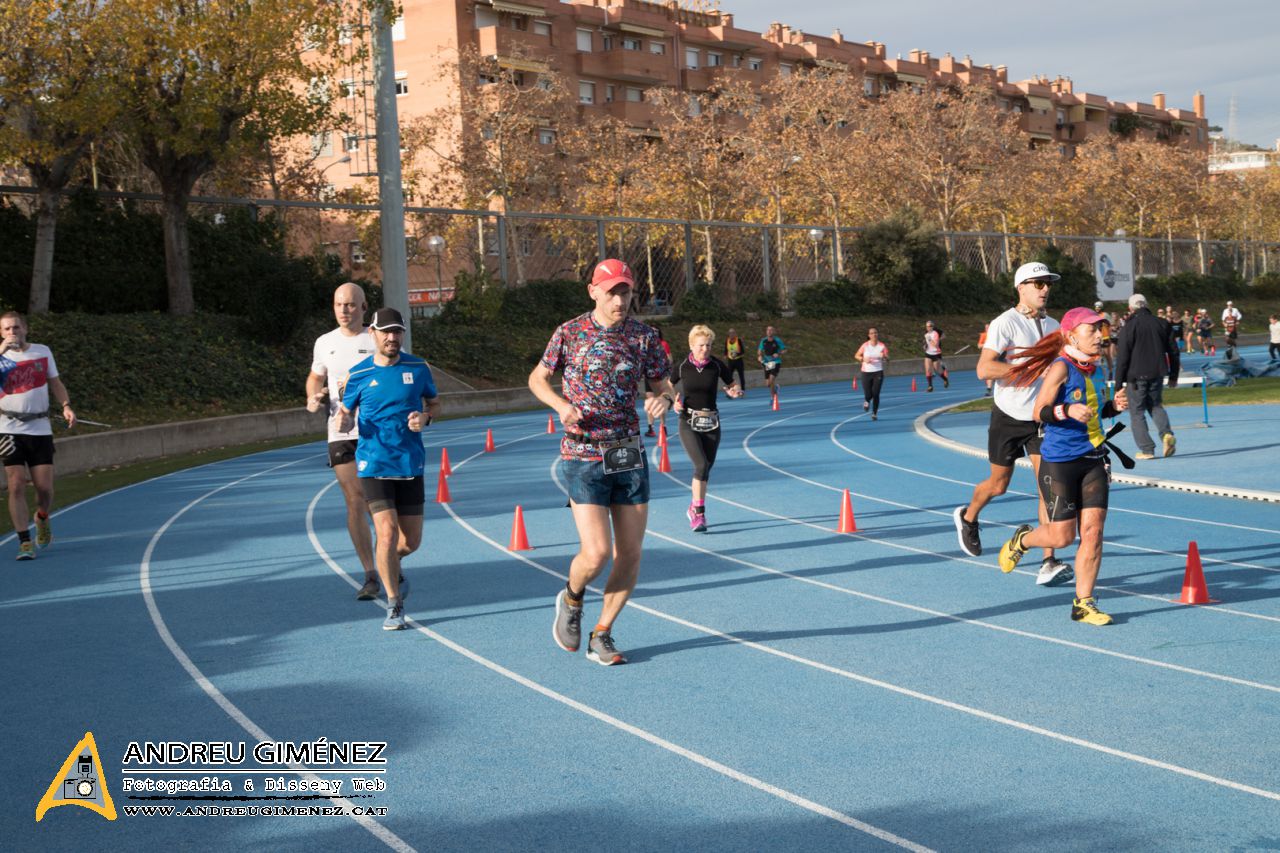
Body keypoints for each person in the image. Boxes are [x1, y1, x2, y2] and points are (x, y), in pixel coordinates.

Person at [531, 259, 673, 666]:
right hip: (582, 451)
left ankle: (602, 633)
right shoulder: (569, 333)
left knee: (630, 553)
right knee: (596, 554)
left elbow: (663, 383)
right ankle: (572, 598)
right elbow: (537, 379)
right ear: (593, 291)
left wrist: (663, 398)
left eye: (625, 291)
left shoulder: (645, 337)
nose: (619, 299)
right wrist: (560, 405)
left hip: (627, 451)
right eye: (611, 291)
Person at [995, 306, 1129, 626]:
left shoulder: (1092, 369)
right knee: (1061, 538)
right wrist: (1066, 410)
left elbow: (1091, 413)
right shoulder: (1061, 367)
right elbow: (1039, 411)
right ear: (1072, 335)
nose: (1099, 336)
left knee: (1093, 533)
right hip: (1060, 462)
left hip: (1093, 460)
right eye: (1091, 330)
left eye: (1101, 330)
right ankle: (1022, 540)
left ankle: (1083, 604)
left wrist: (1112, 407)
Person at [952, 261, 1071, 586]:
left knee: (1049, 489)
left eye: (1048, 283)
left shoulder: (1055, 326)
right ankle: (968, 516)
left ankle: (1049, 561)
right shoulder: (1004, 323)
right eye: (1038, 284)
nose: (1045, 289)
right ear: (1021, 287)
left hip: (1041, 419)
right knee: (998, 484)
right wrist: (1027, 372)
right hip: (1008, 415)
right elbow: (984, 369)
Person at [335, 308, 440, 631]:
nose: (392, 338)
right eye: (386, 332)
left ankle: (390, 564)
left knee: (410, 543)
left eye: (397, 332)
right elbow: (344, 408)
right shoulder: (359, 374)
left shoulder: (417, 367)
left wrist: (425, 418)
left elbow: (434, 403)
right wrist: (343, 419)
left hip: (410, 463)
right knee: (386, 532)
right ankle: (395, 605)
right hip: (373, 464)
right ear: (373, 334)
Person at [307, 283, 379, 600]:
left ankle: (391, 554)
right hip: (341, 432)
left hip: (377, 430)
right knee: (355, 498)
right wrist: (313, 395)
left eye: (350, 304)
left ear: (363, 307)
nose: (343, 310)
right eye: (338, 304)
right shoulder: (324, 343)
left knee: (380, 502)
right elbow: (316, 376)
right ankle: (370, 573)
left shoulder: (376, 339)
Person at [0, 312, 76, 560]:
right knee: (16, 484)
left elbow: (55, 383)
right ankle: (24, 542)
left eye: (16, 327)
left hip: (40, 428)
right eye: (7, 329)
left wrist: (65, 406)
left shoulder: (42, 351)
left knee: (44, 489)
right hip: (8, 428)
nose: (12, 332)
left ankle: (42, 517)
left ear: (25, 329)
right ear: (1, 333)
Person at [671, 325, 743, 532]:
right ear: (692, 345)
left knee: (706, 468)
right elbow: (667, 385)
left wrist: (734, 392)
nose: (705, 349)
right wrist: (673, 401)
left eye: (709, 345)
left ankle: (694, 505)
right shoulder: (682, 366)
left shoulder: (717, 365)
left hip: (711, 422)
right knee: (701, 465)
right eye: (701, 345)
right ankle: (699, 514)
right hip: (688, 421)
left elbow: (733, 384)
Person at [1114, 293, 1177, 461]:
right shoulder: (1162, 323)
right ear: (1147, 305)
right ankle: (1166, 434)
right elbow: (1173, 351)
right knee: (1156, 405)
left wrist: (1118, 384)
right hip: (1158, 373)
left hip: (1136, 376)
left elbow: (1122, 358)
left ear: (1130, 308)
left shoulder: (1129, 327)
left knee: (1137, 412)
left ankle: (1147, 449)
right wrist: (1174, 375)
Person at [854, 327, 889, 419]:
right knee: (868, 394)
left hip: (878, 372)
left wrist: (884, 356)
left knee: (876, 393)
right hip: (866, 372)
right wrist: (862, 359)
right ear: (869, 335)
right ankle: (866, 401)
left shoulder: (882, 346)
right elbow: (856, 355)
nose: (874, 334)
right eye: (872, 333)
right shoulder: (865, 345)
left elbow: (888, 359)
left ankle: (874, 413)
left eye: (876, 333)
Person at [643, 326, 672, 437]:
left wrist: (663, 366)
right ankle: (651, 427)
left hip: (659, 377)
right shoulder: (645, 345)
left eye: (655, 331)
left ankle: (663, 426)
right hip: (649, 377)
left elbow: (670, 359)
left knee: (660, 401)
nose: (653, 333)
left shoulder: (663, 344)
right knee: (650, 401)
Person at [757, 325, 786, 402]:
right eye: (768, 330)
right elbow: (759, 351)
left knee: (772, 379)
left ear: (774, 332)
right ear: (766, 332)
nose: (769, 331)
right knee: (768, 384)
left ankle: (773, 398)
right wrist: (759, 356)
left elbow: (784, 350)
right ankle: (775, 388)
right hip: (767, 363)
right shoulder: (763, 340)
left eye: (771, 330)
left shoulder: (777, 340)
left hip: (776, 362)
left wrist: (778, 353)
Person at [922, 320, 949, 392]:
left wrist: (930, 339)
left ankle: (945, 379)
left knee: (938, 370)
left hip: (936, 353)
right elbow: (926, 342)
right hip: (928, 353)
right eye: (926, 326)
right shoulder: (926, 333)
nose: (927, 328)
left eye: (929, 326)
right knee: (928, 370)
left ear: (932, 327)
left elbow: (935, 345)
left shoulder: (936, 333)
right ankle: (930, 386)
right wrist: (925, 346)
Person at [724, 327, 747, 394]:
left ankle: (742, 390)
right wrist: (725, 355)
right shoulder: (727, 341)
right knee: (729, 376)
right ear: (728, 334)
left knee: (741, 376)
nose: (732, 334)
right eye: (730, 333)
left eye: (733, 333)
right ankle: (730, 391)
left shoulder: (738, 340)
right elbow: (725, 350)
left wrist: (736, 354)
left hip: (738, 360)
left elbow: (742, 351)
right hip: (730, 361)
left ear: (735, 334)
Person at [977, 323, 993, 396]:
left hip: (995, 356)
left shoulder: (996, 335)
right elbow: (979, 345)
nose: (987, 329)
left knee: (991, 373)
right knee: (988, 373)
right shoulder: (983, 335)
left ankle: (989, 389)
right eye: (986, 328)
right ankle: (989, 388)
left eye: (988, 327)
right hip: (985, 356)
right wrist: (987, 344)